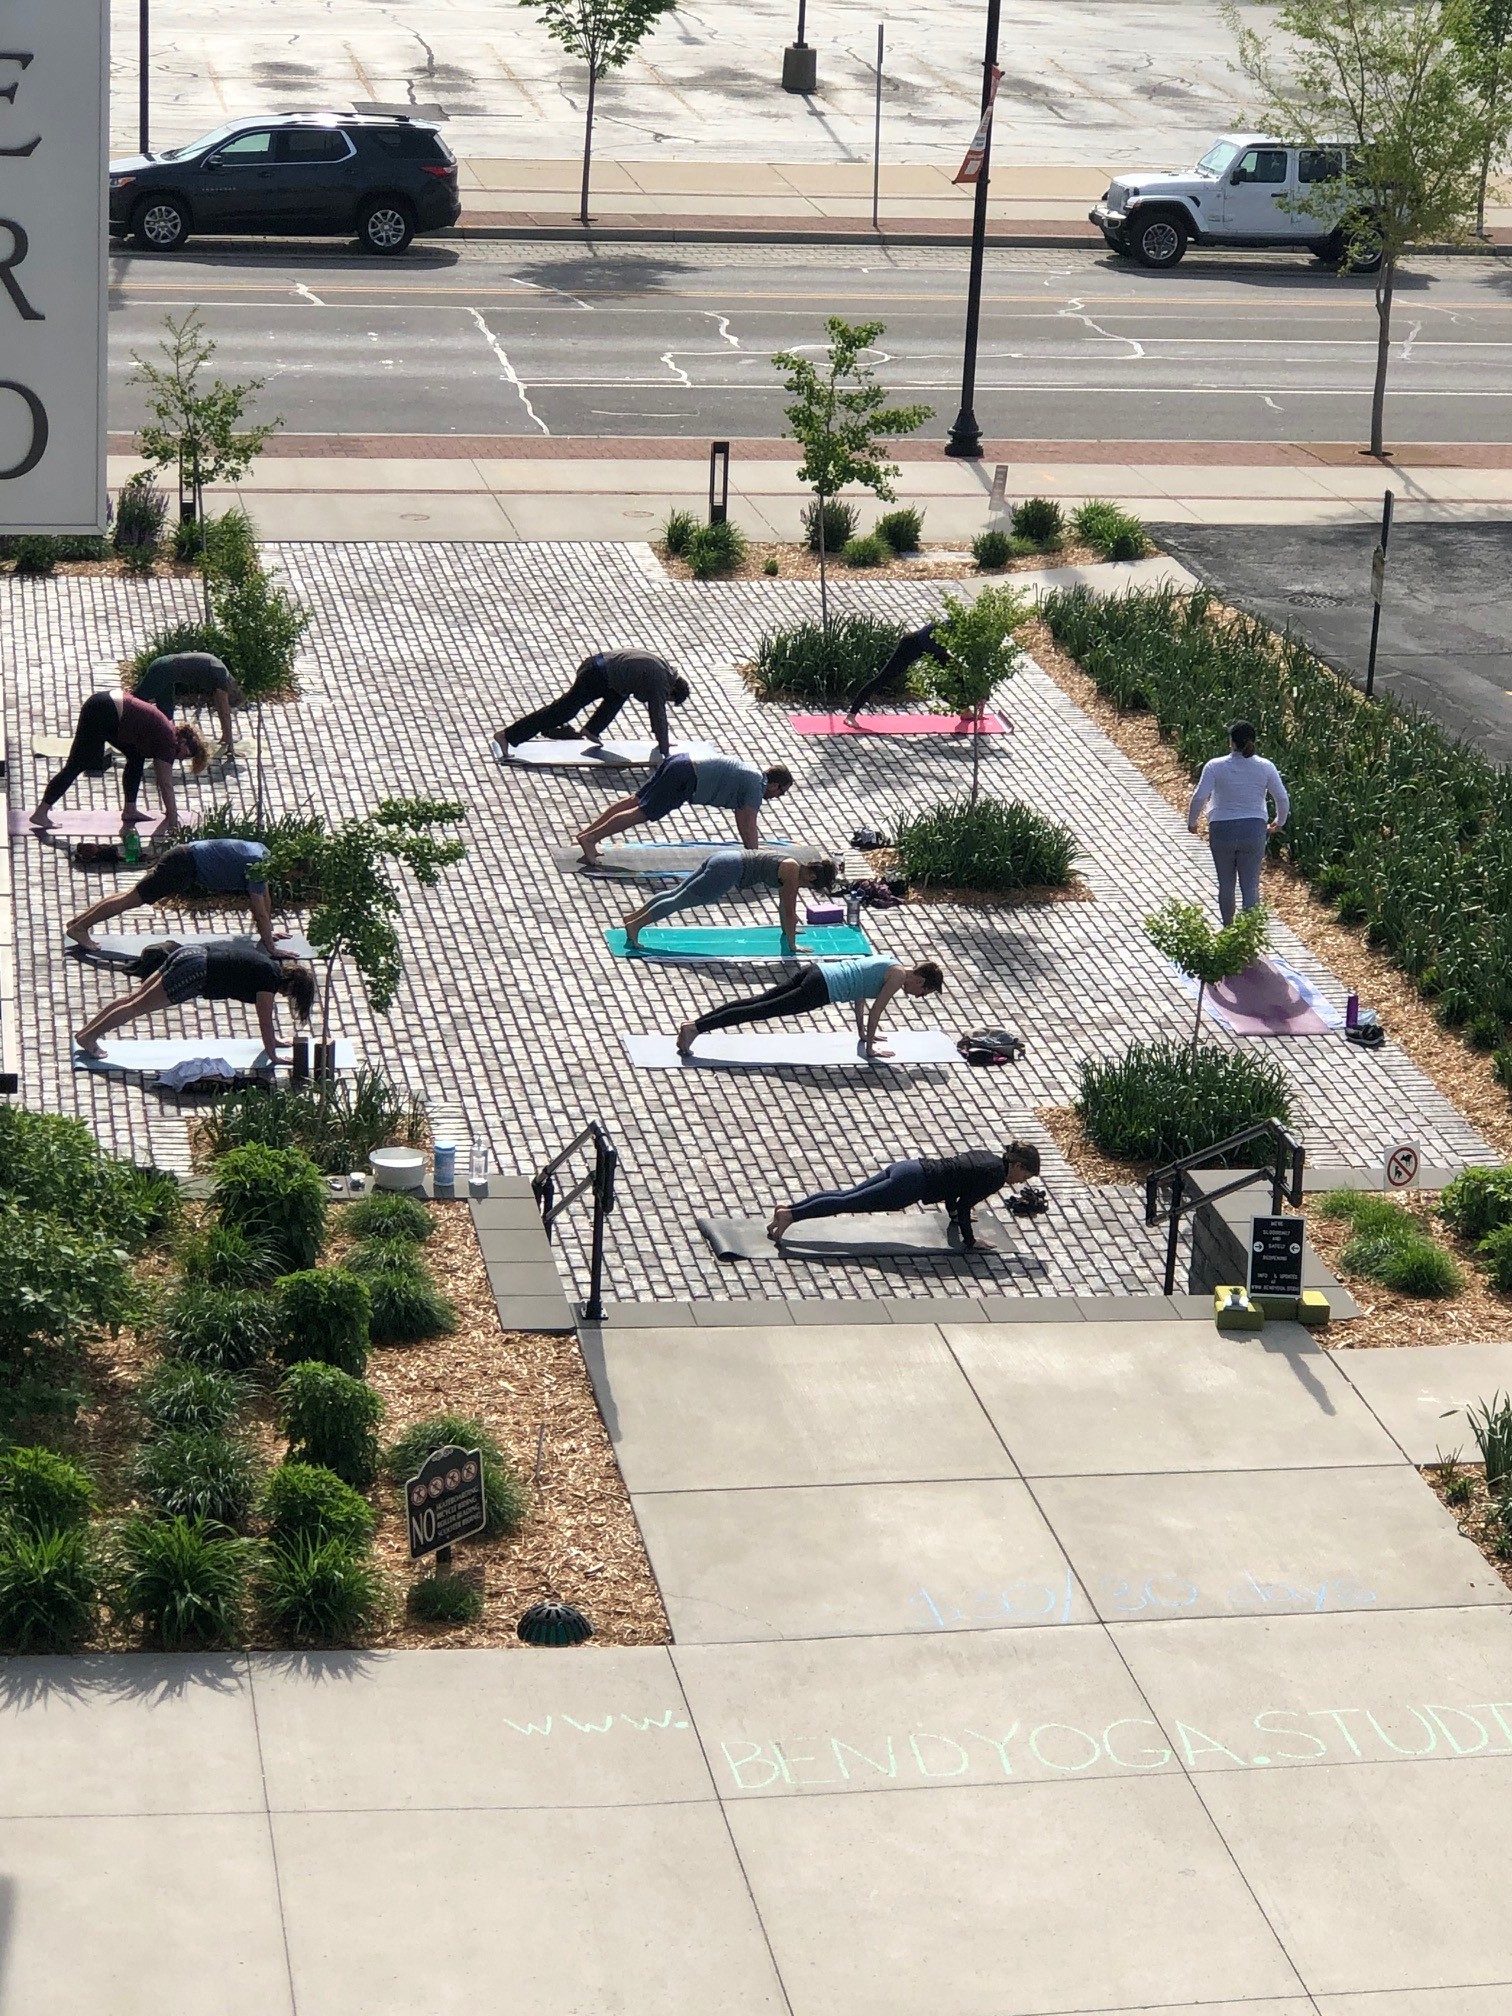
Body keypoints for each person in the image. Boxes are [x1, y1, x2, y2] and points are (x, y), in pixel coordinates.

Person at [768, 1140, 1042, 1249]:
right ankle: (792, 1215)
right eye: (1025, 1176)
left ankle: (788, 1209)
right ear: (1018, 1166)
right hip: (910, 1186)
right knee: (849, 1202)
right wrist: (971, 1241)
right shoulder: (995, 1177)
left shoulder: (988, 1158)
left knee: (846, 1195)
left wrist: (955, 1216)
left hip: (909, 1167)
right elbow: (965, 1201)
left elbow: (957, 1186)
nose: (1022, 1182)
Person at [73, 943, 316, 1062]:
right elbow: (265, 1022)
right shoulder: (269, 980)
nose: (287, 997)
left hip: (189, 953)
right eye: (291, 995)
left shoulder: (269, 967)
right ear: (290, 985)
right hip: (196, 971)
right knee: (138, 1007)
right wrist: (273, 1056)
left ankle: (86, 1033)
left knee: (132, 999)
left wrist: (275, 1042)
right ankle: (89, 1038)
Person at [677, 955, 944, 1060]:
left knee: (758, 1001)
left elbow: (861, 995)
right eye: (924, 993)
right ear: (920, 981)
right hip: (820, 988)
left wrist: (863, 1033)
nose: (919, 997)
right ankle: (696, 1028)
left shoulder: (892, 963)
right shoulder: (897, 978)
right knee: (761, 1010)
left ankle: (694, 1025)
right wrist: (871, 1048)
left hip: (815, 972)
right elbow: (877, 1012)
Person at [65, 838, 288, 955]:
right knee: (132, 899)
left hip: (182, 856)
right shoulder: (257, 864)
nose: (292, 878)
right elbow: (258, 909)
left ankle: (79, 923)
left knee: (131, 895)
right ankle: (80, 928)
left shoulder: (264, 853)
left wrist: (267, 931)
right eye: (295, 873)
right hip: (182, 866)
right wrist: (271, 947)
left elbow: (264, 896)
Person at [31, 690, 208, 831]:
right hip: (102, 710)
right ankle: (41, 813)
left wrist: (170, 813)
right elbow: (165, 783)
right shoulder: (168, 741)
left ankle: (130, 809)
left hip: (108, 709)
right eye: (186, 755)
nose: (181, 758)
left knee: (136, 757)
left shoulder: (168, 734)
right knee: (77, 764)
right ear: (183, 742)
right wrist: (173, 819)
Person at [576, 756, 792, 865]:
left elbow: (742, 819)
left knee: (636, 800)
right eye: (781, 793)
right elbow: (748, 824)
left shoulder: (753, 775)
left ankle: (587, 835)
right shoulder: (756, 786)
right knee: (642, 812)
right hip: (685, 778)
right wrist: (755, 857)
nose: (778, 797)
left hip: (680, 762)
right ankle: (590, 838)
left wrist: (752, 849)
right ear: (774, 785)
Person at [623, 850, 838, 952]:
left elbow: (785, 907)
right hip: (728, 870)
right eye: (811, 886)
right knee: (681, 900)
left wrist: (787, 930)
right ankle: (636, 925)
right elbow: (789, 910)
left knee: (676, 893)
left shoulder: (793, 864)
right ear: (811, 876)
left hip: (724, 858)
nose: (806, 888)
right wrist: (792, 945)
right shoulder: (792, 874)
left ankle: (633, 919)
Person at [1187, 720, 1290, 926]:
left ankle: (1228, 929)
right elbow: (1282, 797)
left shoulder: (1214, 766)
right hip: (1253, 830)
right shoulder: (1266, 767)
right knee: (1250, 886)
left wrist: (1192, 822)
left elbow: (1199, 797)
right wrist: (1279, 821)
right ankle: (1249, 933)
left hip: (1221, 829)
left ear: (1232, 742)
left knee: (1226, 884)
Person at [501, 651, 691, 760]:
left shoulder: (664, 670)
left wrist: (662, 739)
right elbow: (658, 714)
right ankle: (508, 736)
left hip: (601, 668)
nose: (665, 700)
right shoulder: (661, 682)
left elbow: (653, 708)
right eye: (669, 700)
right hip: (596, 675)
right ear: (672, 691)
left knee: (618, 695)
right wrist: (665, 751)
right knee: (563, 711)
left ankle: (591, 730)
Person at [133, 651, 244, 755]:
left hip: (165, 669)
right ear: (231, 693)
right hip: (162, 670)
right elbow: (224, 712)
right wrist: (230, 747)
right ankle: (125, 732)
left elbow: (221, 709)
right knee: (133, 703)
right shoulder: (221, 679)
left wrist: (226, 736)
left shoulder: (221, 673)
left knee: (166, 715)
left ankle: (159, 745)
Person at [844, 620, 949, 724]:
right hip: (911, 645)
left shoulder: (956, 628)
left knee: (953, 676)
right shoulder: (950, 625)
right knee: (883, 678)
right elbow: (930, 639)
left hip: (934, 649)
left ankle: (958, 709)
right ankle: (851, 715)